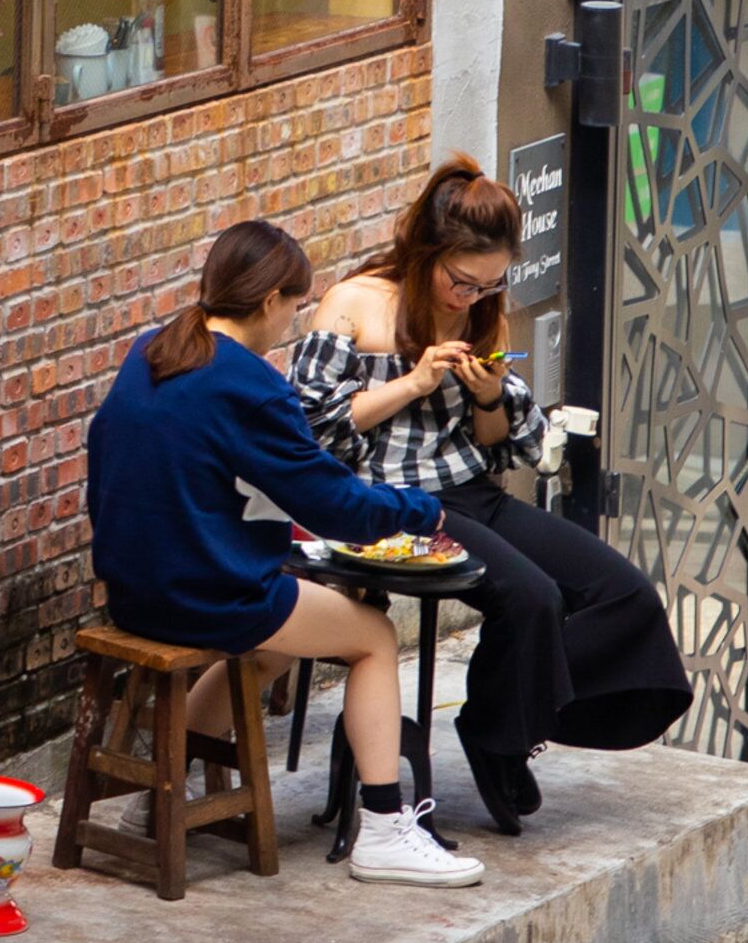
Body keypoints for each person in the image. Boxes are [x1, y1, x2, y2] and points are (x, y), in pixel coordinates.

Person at [85, 220, 489, 887]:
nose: (292, 323)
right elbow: (333, 506)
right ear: (271, 298)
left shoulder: (150, 350)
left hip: (132, 588)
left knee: (275, 649)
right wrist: (428, 511)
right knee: (373, 638)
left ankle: (151, 801)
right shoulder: (247, 384)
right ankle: (386, 830)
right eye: (295, 307)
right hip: (203, 595)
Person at [293, 157, 692, 830]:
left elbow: (503, 444)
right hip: (389, 505)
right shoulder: (355, 303)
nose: (469, 297)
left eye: (488, 284)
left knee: (623, 594)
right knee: (531, 597)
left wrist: (487, 397)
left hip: (472, 490)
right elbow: (308, 429)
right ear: (427, 252)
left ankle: (500, 718)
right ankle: (502, 738)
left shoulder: (483, 315)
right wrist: (414, 383)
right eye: (460, 280)